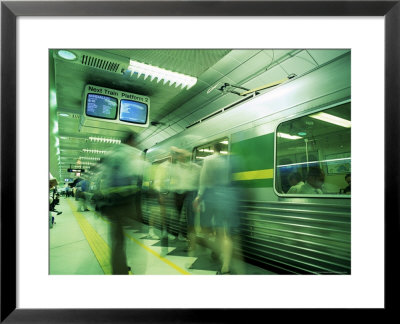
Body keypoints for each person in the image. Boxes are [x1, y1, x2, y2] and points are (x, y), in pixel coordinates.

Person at [97, 132, 146, 275]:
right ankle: (121, 270)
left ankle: (119, 267)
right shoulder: (130, 154)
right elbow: (135, 173)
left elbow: (104, 178)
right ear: (131, 141)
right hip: (126, 201)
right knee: (127, 240)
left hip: (111, 202)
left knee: (118, 240)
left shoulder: (111, 153)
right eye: (136, 142)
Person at [193, 143, 242, 274]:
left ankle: (220, 255)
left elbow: (203, 180)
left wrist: (198, 197)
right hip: (230, 197)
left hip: (215, 197)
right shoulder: (229, 161)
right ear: (222, 149)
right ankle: (225, 264)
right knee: (227, 234)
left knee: (215, 231)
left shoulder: (208, 160)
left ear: (213, 149)